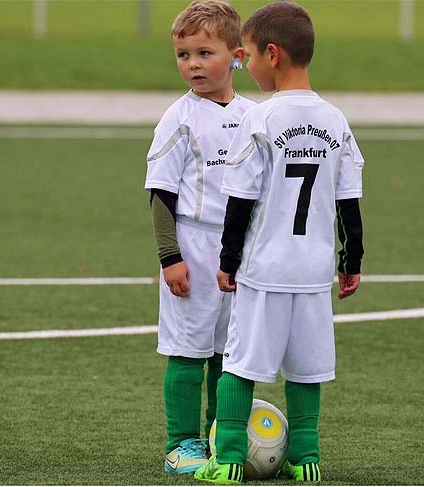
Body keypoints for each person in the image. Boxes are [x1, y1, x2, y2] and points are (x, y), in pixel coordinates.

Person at [193, 1, 365, 484]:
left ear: (273, 55)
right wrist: (351, 261)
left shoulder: (261, 119)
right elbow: (349, 201)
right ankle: (306, 458)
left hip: (264, 270)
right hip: (313, 273)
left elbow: (240, 200)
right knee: (307, 369)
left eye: (246, 56)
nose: (244, 65)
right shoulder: (336, 121)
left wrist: (228, 260)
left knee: (240, 363)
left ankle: (228, 459)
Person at [144, 0, 255, 476]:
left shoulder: (255, 116)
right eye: (183, 55)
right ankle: (181, 443)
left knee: (229, 352)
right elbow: (160, 193)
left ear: (237, 57)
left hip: (240, 251)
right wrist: (170, 257)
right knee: (188, 348)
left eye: (204, 53)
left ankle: (217, 437)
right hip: (193, 245)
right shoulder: (178, 117)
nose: (192, 64)